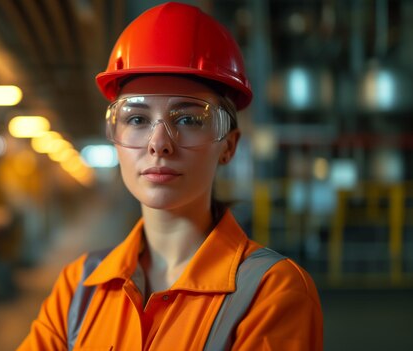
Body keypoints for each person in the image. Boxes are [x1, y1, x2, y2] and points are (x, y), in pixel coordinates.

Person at [18, 2, 323, 350]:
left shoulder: (271, 293)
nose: (159, 144)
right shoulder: (79, 289)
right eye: (136, 119)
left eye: (189, 119)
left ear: (228, 146)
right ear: (115, 139)